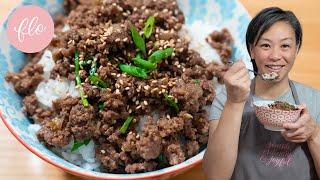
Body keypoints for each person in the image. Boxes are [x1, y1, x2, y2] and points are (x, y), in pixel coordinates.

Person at [203, 7, 320, 180]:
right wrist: (234, 103)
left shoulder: (315, 99)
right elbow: (214, 176)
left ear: (296, 49)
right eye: (265, 45)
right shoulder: (225, 98)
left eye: (285, 46)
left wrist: (314, 134)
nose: (275, 56)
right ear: (252, 50)